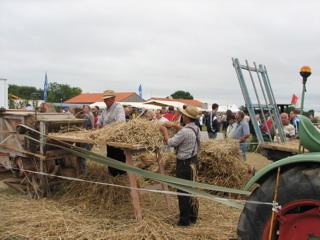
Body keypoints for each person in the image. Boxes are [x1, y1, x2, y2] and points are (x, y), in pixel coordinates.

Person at [160, 105, 201, 227]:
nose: (182, 116)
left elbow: (170, 142)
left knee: (183, 192)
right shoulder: (196, 129)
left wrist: (165, 131)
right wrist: (173, 125)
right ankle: (193, 216)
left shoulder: (184, 132)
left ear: (186, 117)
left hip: (184, 165)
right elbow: (184, 130)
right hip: (194, 162)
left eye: (183, 115)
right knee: (192, 190)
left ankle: (184, 221)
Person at [96, 90, 126, 176]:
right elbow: (100, 120)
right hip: (108, 136)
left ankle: (121, 174)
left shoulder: (118, 108)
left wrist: (106, 128)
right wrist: (98, 128)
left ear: (113, 98)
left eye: (106, 99)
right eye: (104, 99)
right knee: (110, 154)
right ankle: (112, 174)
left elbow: (120, 122)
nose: (104, 101)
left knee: (118, 155)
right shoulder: (106, 109)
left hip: (117, 137)